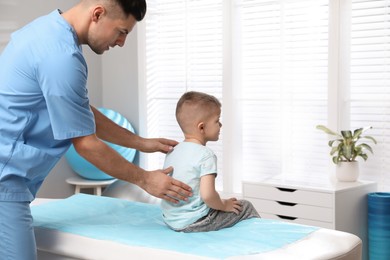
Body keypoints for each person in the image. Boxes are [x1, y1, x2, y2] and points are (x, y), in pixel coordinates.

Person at [0, 1, 192, 259]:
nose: (122, 42)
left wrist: (141, 143)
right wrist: (146, 179)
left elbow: (80, 111)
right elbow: (87, 144)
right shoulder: (61, 57)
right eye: (122, 31)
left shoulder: (46, 30)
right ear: (98, 14)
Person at [161, 91, 260, 232]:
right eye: (217, 121)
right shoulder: (206, 155)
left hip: (171, 219)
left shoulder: (173, 150)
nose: (221, 125)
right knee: (245, 206)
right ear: (201, 127)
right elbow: (207, 195)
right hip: (195, 221)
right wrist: (224, 205)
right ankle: (257, 238)